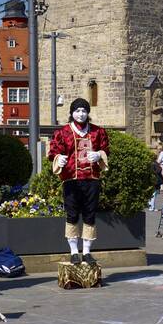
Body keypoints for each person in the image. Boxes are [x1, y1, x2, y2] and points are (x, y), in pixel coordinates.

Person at [47, 99, 110, 261]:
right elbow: (53, 151)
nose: (81, 114)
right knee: (72, 215)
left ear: (88, 113)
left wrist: (99, 155)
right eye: (77, 111)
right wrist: (58, 158)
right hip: (71, 180)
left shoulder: (98, 132)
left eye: (84, 111)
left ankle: (87, 251)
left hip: (92, 179)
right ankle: (74, 252)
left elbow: (105, 149)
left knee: (90, 215)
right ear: (72, 113)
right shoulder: (63, 132)